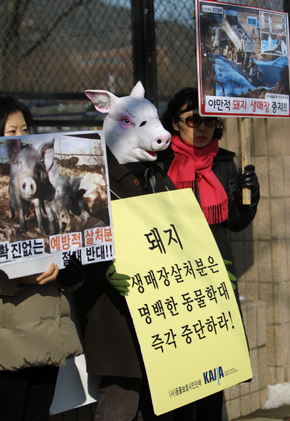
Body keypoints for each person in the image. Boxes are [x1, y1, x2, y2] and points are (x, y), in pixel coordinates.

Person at [159, 87, 260, 421]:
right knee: (179, 372)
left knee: (212, 375)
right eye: (192, 120)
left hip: (215, 275)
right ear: (175, 123)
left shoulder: (226, 163)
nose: (201, 127)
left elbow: (234, 221)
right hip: (173, 278)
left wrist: (250, 200)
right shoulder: (159, 164)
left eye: (209, 121)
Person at [0, 95, 85, 421]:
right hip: (8, 334)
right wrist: (11, 279)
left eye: (25, 129)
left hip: (46, 331)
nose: (20, 137)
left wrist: (69, 271)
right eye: (11, 131)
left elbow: (66, 244)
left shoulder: (50, 186)